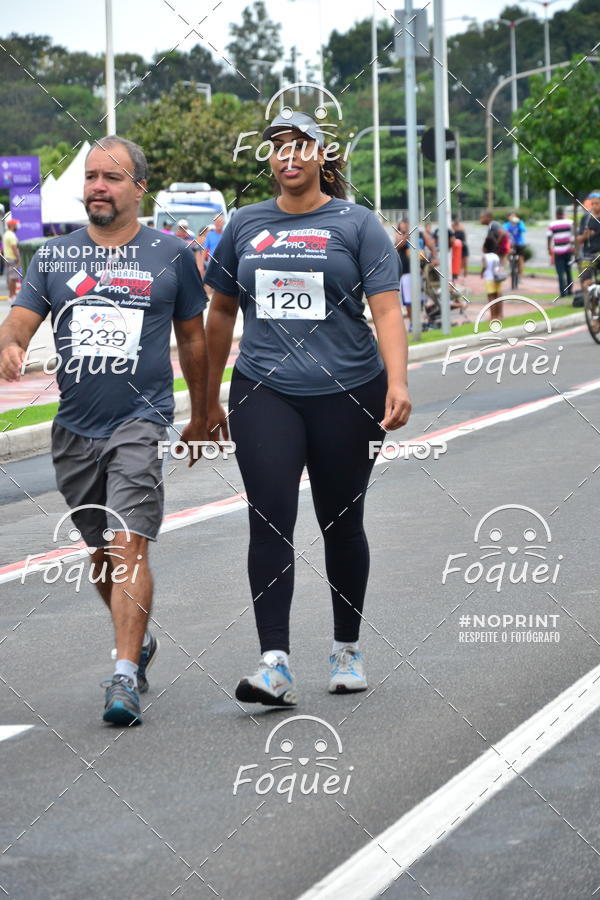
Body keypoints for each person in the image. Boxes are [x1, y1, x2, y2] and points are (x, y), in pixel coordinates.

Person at [0, 136, 209, 726]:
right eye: (91, 176)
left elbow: (193, 338)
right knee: (100, 553)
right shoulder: (55, 258)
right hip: (74, 430)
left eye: (111, 177)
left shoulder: (170, 255)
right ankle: (137, 641)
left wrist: (199, 413)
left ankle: (123, 677)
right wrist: (12, 347)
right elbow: (17, 322)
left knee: (127, 540)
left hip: (139, 422)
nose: (97, 186)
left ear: (138, 188)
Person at [204, 111, 411, 707]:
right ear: (267, 159)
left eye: (301, 146)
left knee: (340, 522)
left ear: (323, 155)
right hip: (264, 389)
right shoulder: (244, 224)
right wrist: (207, 396)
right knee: (269, 517)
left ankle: (347, 648)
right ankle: (275, 664)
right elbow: (220, 313)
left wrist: (397, 381)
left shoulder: (357, 224)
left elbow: (388, 311)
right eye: (277, 148)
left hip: (349, 391)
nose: (288, 157)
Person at [576, 191, 600, 318]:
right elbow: (579, 240)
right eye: (593, 204)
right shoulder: (586, 219)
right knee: (586, 284)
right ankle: (594, 313)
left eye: (597, 203)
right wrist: (585, 236)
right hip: (589, 255)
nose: (595, 206)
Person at [547, 206, 574, 298]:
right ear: (564, 214)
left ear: (556, 215)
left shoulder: (552, 225)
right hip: (568, 250)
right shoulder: (570, 223)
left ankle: (563, 292)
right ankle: (570, 290)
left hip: (558, 251)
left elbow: (549, 237)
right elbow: (573, 235)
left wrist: (549, 249)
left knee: (560, 272)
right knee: (568, 270)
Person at [481, 235, 504, 319]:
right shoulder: (496, 256)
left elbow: (485, 266)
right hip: (497, 279)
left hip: (489, 279)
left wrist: (482, 272)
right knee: (498, 297)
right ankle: (500, 314)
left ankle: (493, 316)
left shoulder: (485, 256)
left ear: (485, 248)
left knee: (491, 298)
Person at [3, 219, 21, 301]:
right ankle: (13, 295)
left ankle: (11, 295)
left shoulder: (6, 234)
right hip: (12, 258)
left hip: (7, 258)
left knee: (10, 277)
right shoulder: (11, 235)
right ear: (12, 225)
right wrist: (18, 258)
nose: (17, 226)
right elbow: (14, 248)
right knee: (13, 277)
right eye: (16, 224)